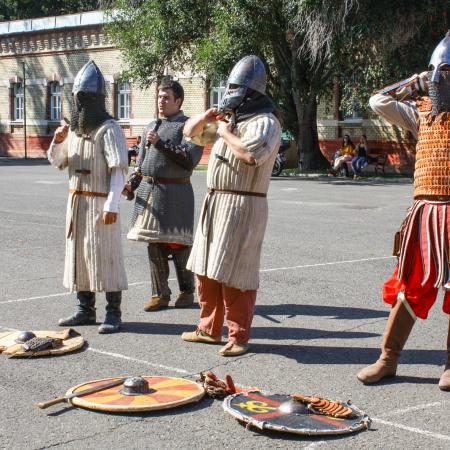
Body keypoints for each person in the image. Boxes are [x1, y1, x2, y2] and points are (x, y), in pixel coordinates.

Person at [357, 31, 450, 391]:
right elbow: (377, 101)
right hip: (425, 215)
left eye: (447, 72)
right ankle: (388, 358)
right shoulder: (422, 113)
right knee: (410, 288)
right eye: (436, 72)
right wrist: (416, 83)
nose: (441, 78)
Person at [181, 55, 282, 357]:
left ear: (252, 93)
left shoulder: (266, 122)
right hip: (215, 201)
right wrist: (207, 117)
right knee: (205, 268)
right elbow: (189, 133)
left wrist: (225, 132)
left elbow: (252, 155)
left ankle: (238, 336)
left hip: (243, 204)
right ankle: (208, 329)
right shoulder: (232, 119)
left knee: (237, 272)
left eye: (238, 88)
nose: (232, 93)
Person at [48, 60, 128, 334]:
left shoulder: (109, 128)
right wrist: (58, 141)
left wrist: (112, 204)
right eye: (78, 97)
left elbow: (119, 169)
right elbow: (59, 162)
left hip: (99, 200)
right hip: (76, 202)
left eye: (86, 97)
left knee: (107, 257)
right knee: (79, 256)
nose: (81, 102)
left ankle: (113, 313)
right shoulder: (72, 129)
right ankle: (85, 310)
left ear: (96, 99)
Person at [126, 80, 203, 311]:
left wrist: (160, 143)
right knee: (154, 244)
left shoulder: (189, 126)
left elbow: (189, 159)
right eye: (159, 97)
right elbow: (141, 164)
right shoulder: (152, 124)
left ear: (178, 101)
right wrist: (131, 184)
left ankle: (187, 291)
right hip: (150, 192)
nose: (161, 101)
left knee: (177, 242)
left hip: (176, 192)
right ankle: (160, 294)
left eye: (166, 97)